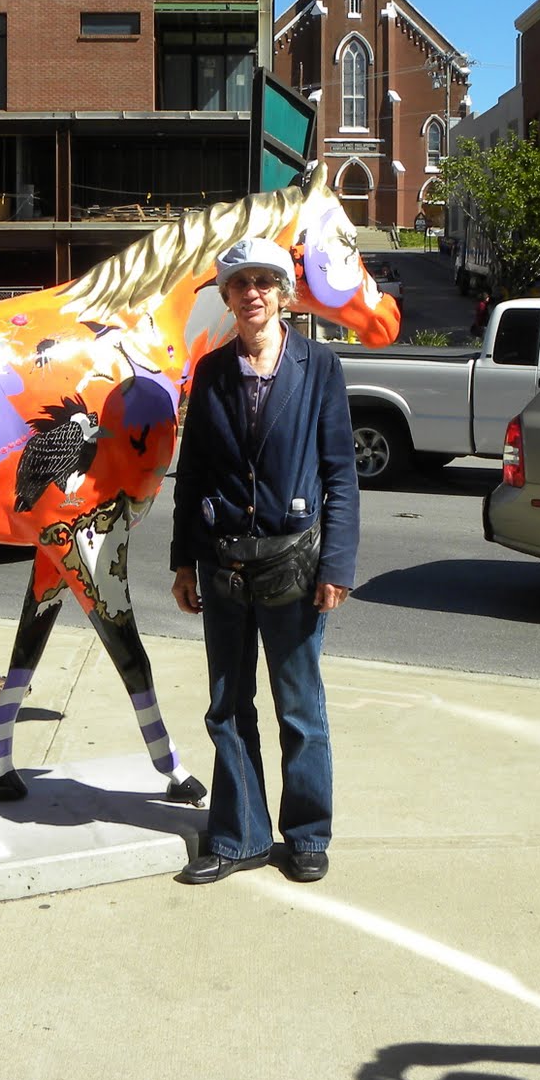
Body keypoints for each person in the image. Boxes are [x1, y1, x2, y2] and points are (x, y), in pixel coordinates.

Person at [169, 237, 358, 886]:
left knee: (299, 708)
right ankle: (239, 836)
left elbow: (341, 474)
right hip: (223, 565)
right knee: (227, 705)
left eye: (264, 282)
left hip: (294, 566)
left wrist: (337, 566)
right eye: (240, 283)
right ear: (227, 297)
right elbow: (193, 475)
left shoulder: (319, 366)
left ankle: (306, 833)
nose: (252, 293)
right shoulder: (211, 372)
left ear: (282, 295)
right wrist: (183, 562)